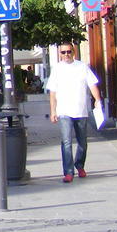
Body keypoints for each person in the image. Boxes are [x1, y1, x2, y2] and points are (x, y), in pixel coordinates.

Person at [46, 42, 103, 182]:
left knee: (82, 142)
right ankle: (68, 172)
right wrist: (53, 111)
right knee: (66, 142)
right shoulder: (57, 69)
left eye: (69, 51)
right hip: (64, 111)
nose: (66, 54)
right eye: (63, 52)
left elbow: (92, 84)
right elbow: (53, 92)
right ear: (60, 54)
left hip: (81, 110)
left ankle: (79, 165)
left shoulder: (82, 67)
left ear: (74, 52)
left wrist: (98, 100)